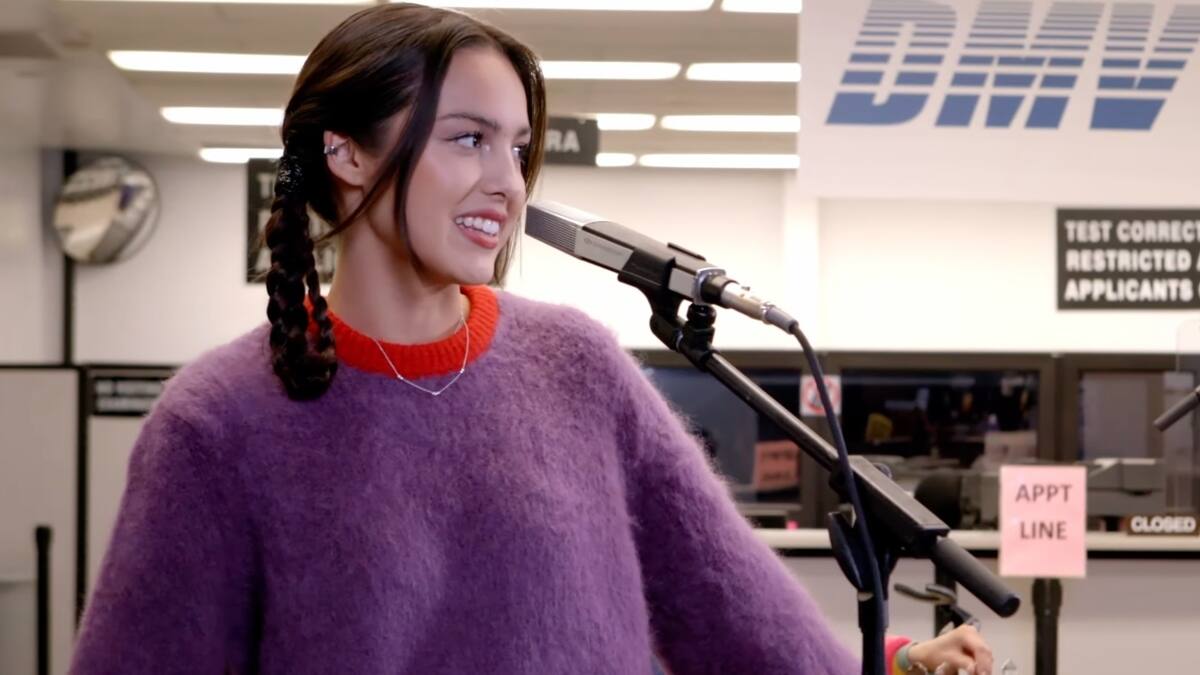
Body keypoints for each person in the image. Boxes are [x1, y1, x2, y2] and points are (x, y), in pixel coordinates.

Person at [69, 4, 993, 674]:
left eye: (517, 147)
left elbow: (736, 612)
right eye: (467, 139)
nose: (508, 183)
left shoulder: (577, 366)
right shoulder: (218, 421)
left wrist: (893, 661)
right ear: (346, 152)